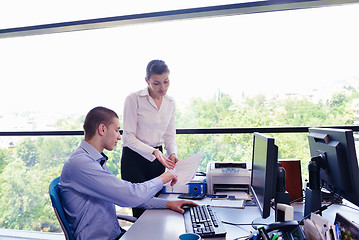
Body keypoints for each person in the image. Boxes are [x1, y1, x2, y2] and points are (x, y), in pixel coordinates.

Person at [59, 106, 196, 240]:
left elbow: (125, 194)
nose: (119, 137)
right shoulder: (81, 164)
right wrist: (164, 178)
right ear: (102, 129)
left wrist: (168, 204)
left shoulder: (93, 159)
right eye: (117, 130)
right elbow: (131, 196)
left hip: (116, 234)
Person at [121, 59, 179, 218]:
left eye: (166, 82)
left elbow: (169, 135)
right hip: (134, 160)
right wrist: (154, 152)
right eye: (157, 83)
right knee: (141, 211)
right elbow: (128, 137)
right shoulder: (133, 99)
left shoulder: (170, 102)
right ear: (147, 81)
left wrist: (172, 153)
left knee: (159, 209)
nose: (163, 87)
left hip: (158, 161)